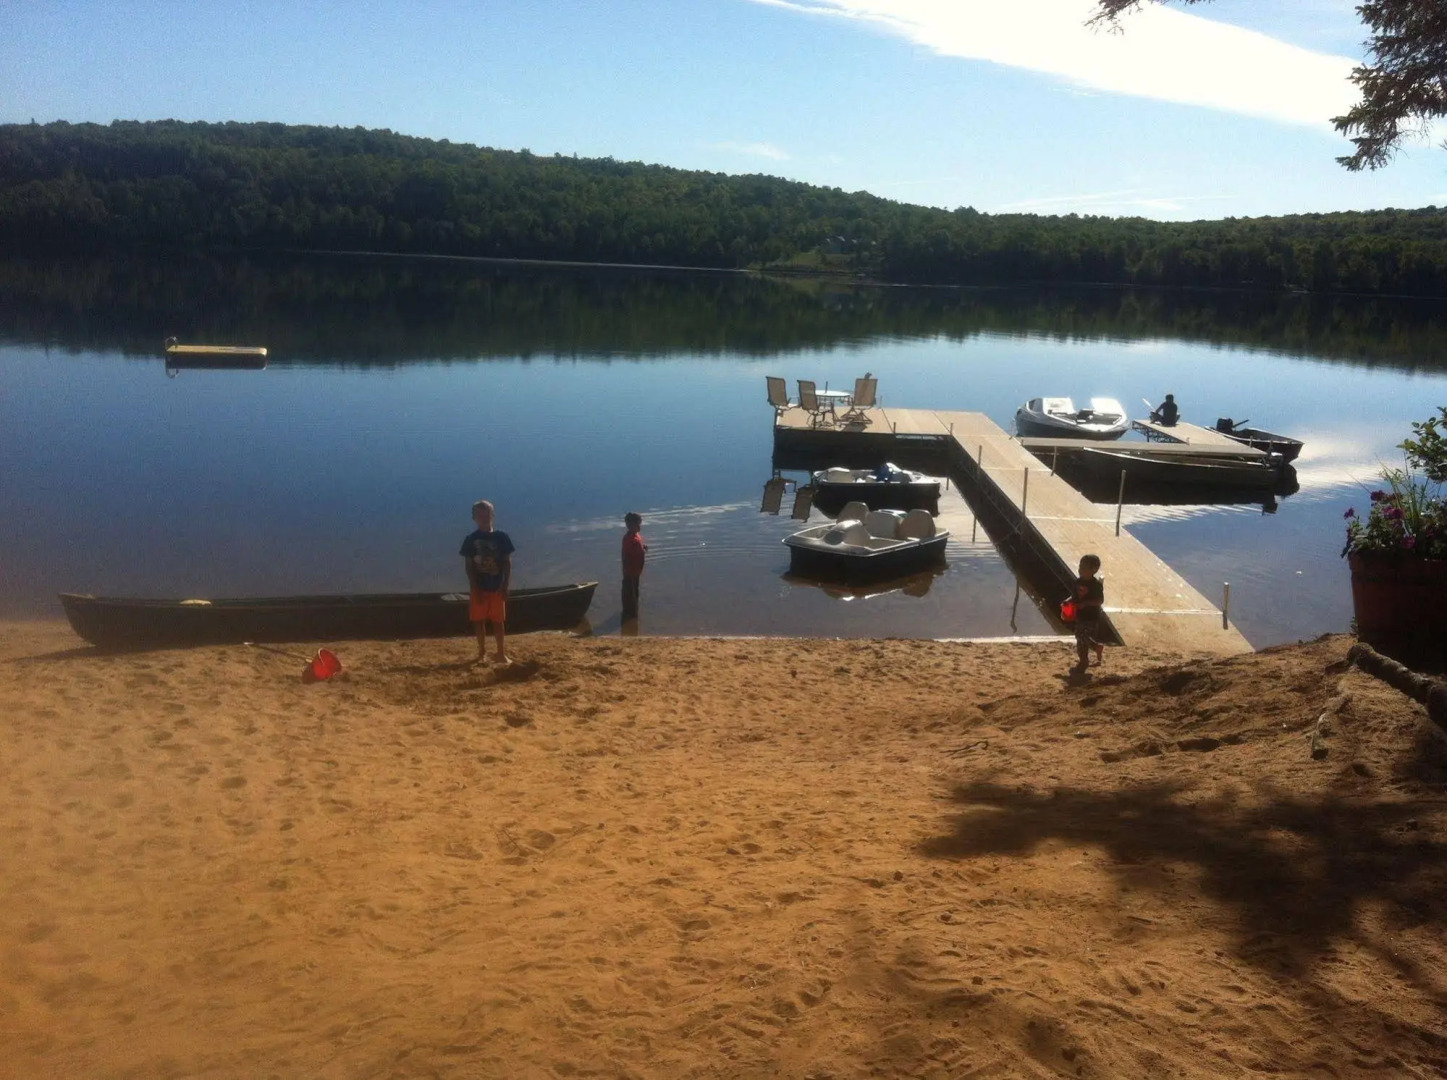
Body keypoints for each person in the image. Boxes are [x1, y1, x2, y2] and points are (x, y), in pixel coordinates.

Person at [460, 499, 514, 665]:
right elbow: (469, 566)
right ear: (474, 518)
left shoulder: (502, 537)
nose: (484, 518)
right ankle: (482, 652)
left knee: (498, 621)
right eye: (480, 515)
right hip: (479, 588)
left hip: (497, 588)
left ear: (493, 515)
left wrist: (505, 585)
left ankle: (500, 653)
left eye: (487, 514)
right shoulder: (471, 539)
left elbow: (507, 562)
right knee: (479, 620)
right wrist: (474, 588)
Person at [1070, 553, 1105, 675]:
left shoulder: (1096, 585)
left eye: (1084, 568)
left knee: (1083, 636)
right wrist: (1068, 602)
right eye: (1080, 567)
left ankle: (1096, 647)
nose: (1081, 570)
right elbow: (1074, 596)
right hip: (1080, 616)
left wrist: (1086, 604)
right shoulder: (1077, 582)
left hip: (1091, 617)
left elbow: (1099, 601)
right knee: (1079, 641)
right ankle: (1083, 661)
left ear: (1093, 570)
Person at [621, 511, 647, 623]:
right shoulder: (630, 539)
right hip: (630, 572)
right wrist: (627, 571)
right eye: (637, 524)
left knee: (635, 593)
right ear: (629, 525)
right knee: (630, 595)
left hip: (636, 571)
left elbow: (639, 548)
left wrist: (643, 547)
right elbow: (625, 556)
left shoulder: (636, 536)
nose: (639, 526)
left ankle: (631, 623)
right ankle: (630, 615)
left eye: (640, 524)